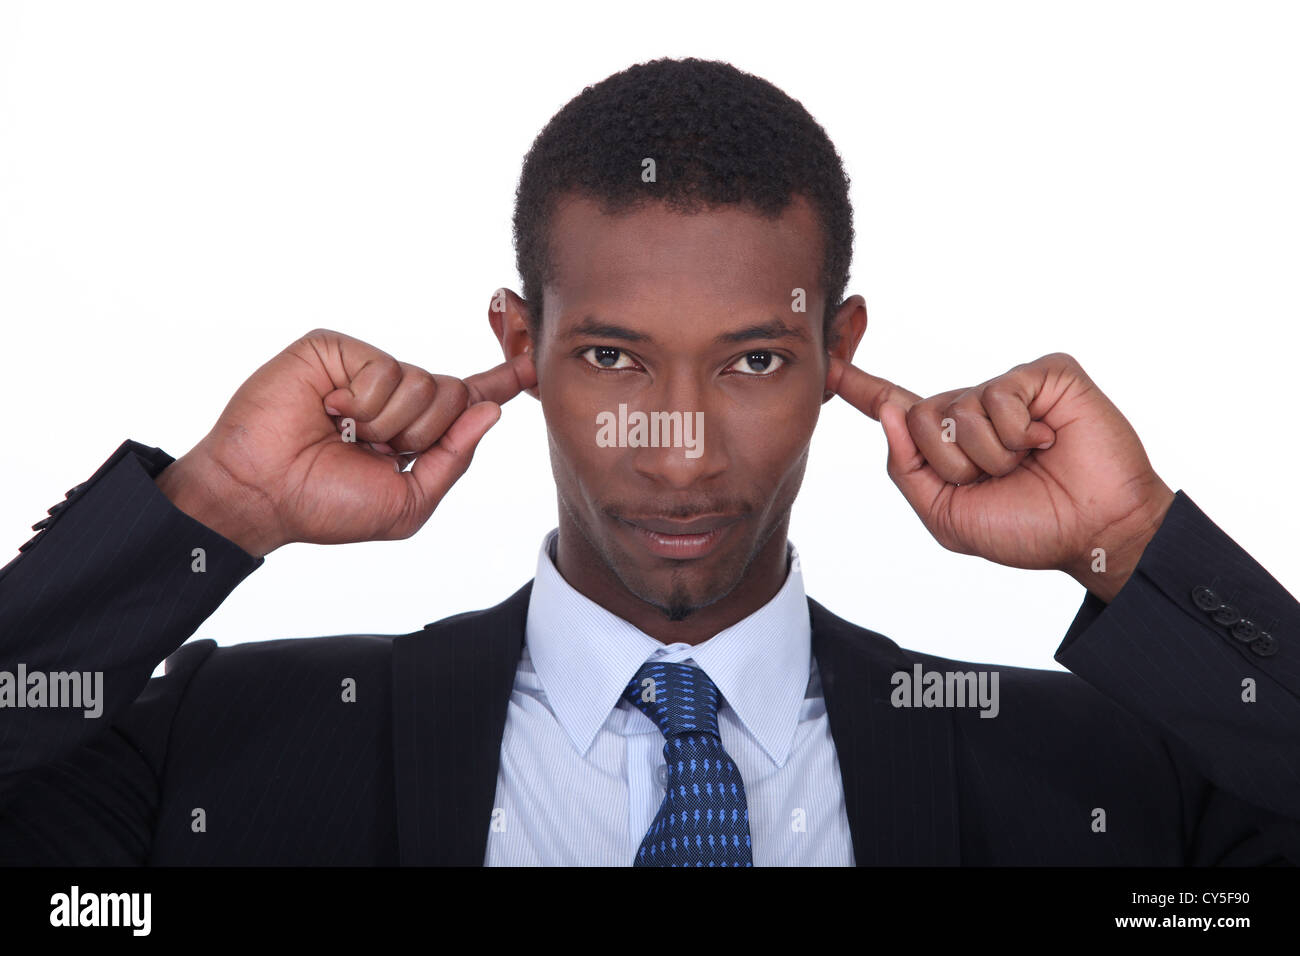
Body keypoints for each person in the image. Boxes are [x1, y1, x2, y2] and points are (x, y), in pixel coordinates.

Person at [1, 57, 1296, 866]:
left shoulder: (1088, 772)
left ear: (839, 349)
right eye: (615, 358)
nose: (679, 456)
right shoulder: (228, 750)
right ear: (520, 343)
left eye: (751, 363)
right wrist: (212, 508)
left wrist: (1130, 540)